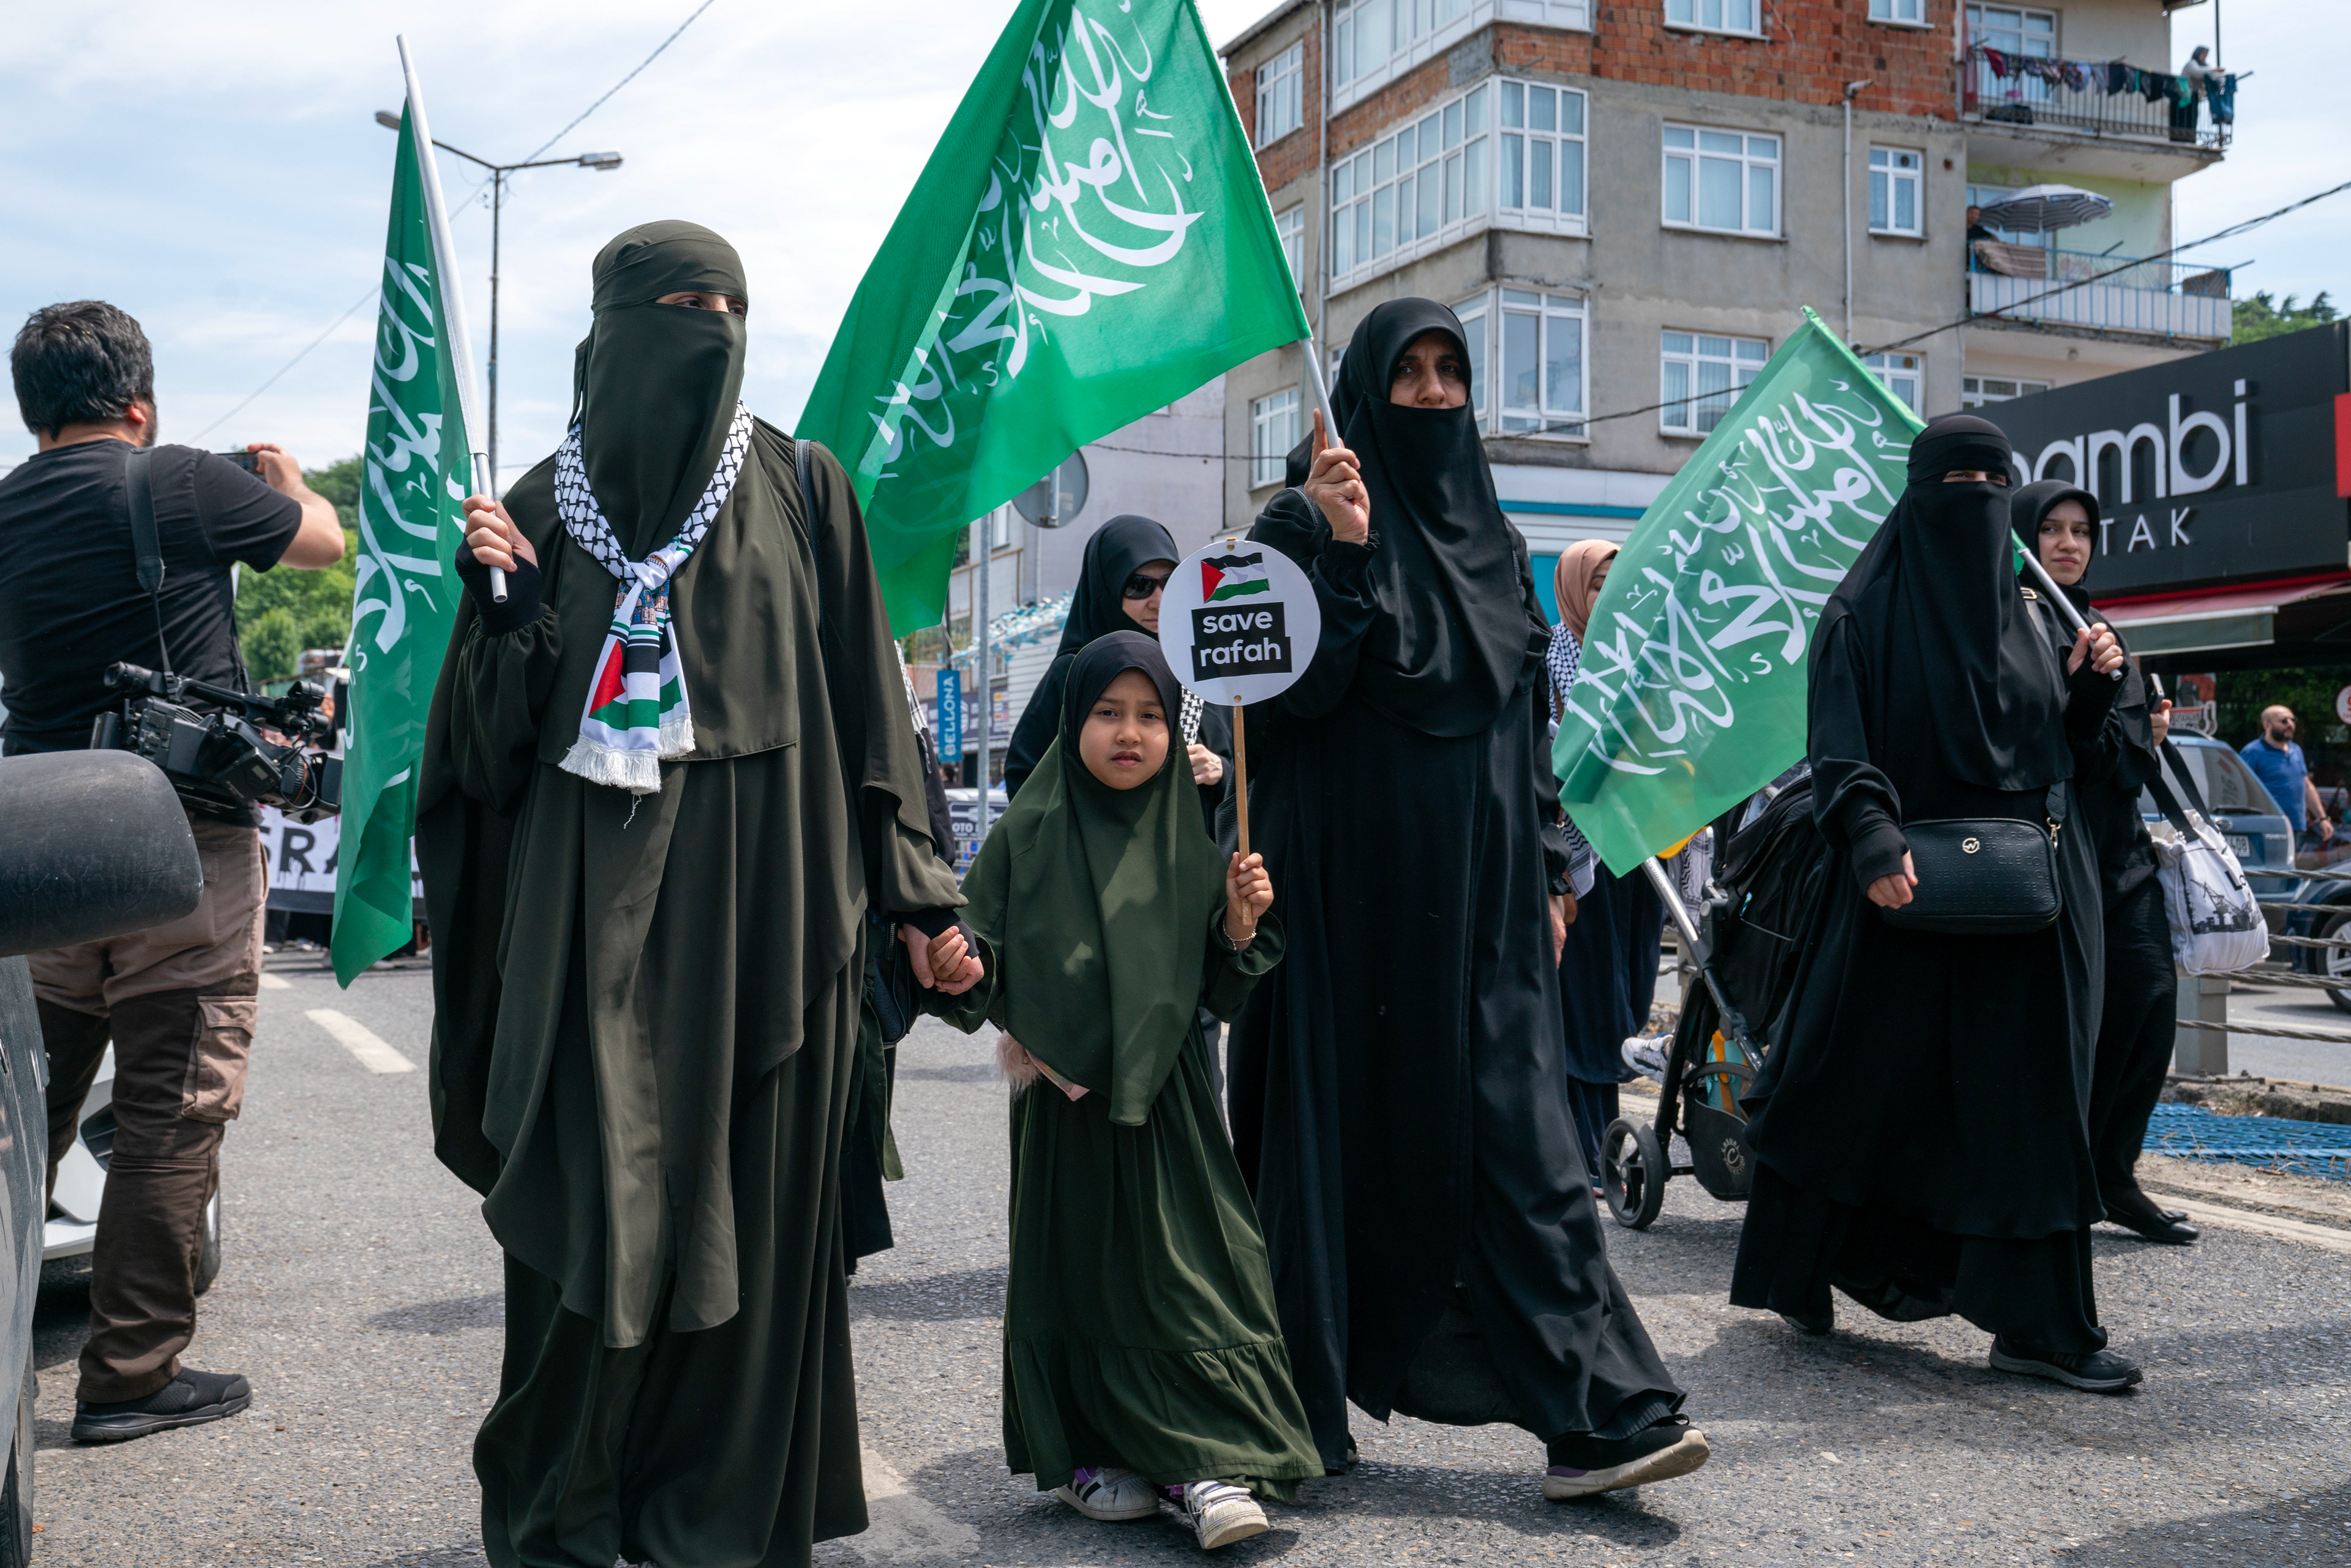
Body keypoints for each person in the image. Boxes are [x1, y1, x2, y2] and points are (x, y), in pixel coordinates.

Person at [416, 221, 973, 1567]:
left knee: (758, 1224)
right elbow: (479, 764)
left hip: (773, 923)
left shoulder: (802, 486)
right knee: (589, 1219)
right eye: (676, 305)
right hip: (583, 931)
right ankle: (568, 1509)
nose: (707, 325)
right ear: (606, 335)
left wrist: (919, 896)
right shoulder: (537, 510)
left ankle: (714, 1522)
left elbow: (871, 711)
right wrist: (506, 620)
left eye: (729, 302)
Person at [1226, 299, 1704, 1498]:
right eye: (1410, 372)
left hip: (1486, 913)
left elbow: (1526, 723)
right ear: (1366, 387)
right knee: (1338, 1146)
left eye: (1452, 371)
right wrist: (1337, 548)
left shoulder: (1495, 533)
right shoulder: (1294, 522)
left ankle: (1600, 1412)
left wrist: (1549, 860)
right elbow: (1280, 711)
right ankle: (1295, 1410)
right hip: (1346, 915)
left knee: (1525, 1143)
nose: (1433, 391)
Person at [1729, 413, 2144, 1394]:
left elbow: (2064, 757)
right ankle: (1808, 1264)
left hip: (2019, 904)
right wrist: (1872, 837)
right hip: (1896, 894)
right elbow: (1841, 745)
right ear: (1918, 494)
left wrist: (2090, 694)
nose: (1975, 499)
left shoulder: (2039, 621)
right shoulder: (1858, 615)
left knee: (2030, 1109)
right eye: (1957, 479)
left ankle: (2041, 1326)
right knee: (1849, 1086)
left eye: (1992, 482)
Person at [0, 299, 344, 1441]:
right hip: (178, 842)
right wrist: (292, 479)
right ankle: (131, 1373)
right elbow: (321, 541)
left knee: (26, 1107)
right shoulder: (182, 480)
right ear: (138, 405)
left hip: (41, 844)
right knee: (169, 1110)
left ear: (28, 408)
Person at [921, 631, 1319, 1550]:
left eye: (1149, 715)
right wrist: (957, 958)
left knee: (1192, 1272)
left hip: (1171, 1095)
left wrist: (1237, 920)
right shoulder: (1029, 824)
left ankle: (1207, 1460)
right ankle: (1094, 1453)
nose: (1129, 733)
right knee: (1084, 1276)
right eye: (1108, 712)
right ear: (1074, 721)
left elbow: (1223, 985)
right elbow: (981, 958)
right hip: (1065, 1101)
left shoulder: (1194, 831)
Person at [2016, 481, 2198, 1247]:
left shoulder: (2102, 628)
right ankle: (2064, 1178)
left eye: (2081, 530)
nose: (2068, 543)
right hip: (2053, 865)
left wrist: (2147, 733)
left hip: (2124, 860)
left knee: (2150, 1009)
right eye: (2052, 529)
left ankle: (2114, 1173)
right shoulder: (2014, 631)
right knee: (2071, 1033)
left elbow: (2114, 763)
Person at [1546, 540, 1663, 1184]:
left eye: (1619, 585)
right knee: (1585, 1004)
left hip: (1637, 859)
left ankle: (1604, 1142)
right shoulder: (1549, 663)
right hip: (1579, 858)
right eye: (1597, 586)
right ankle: (1583, 1149)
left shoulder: (1640, 662)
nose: (1609, 598)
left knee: (1625, 997)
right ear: (1571, 591)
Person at [1005, 514, 1232, 835]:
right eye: (1139, 586)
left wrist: (1220, 771)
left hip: (1192, 870)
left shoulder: (1200, 668)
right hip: (1095, 871)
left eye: (1170, 582)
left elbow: (1250, 771)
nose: (1159, 601)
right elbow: (1025, 778)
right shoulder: (1074, 673)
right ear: (1106, 589)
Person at [2240, 705, 2333, 849]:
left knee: (2289, 870)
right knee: (2270, 870)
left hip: (2296, 826)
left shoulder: (2296, 750)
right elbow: (2241, 788)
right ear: (2267, 725)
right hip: (2268, 826)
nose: (2290, 725)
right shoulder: (2253, 752)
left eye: (2292, 720)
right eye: (2284, 721)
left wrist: (2323, 819)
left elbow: (2307, 786)